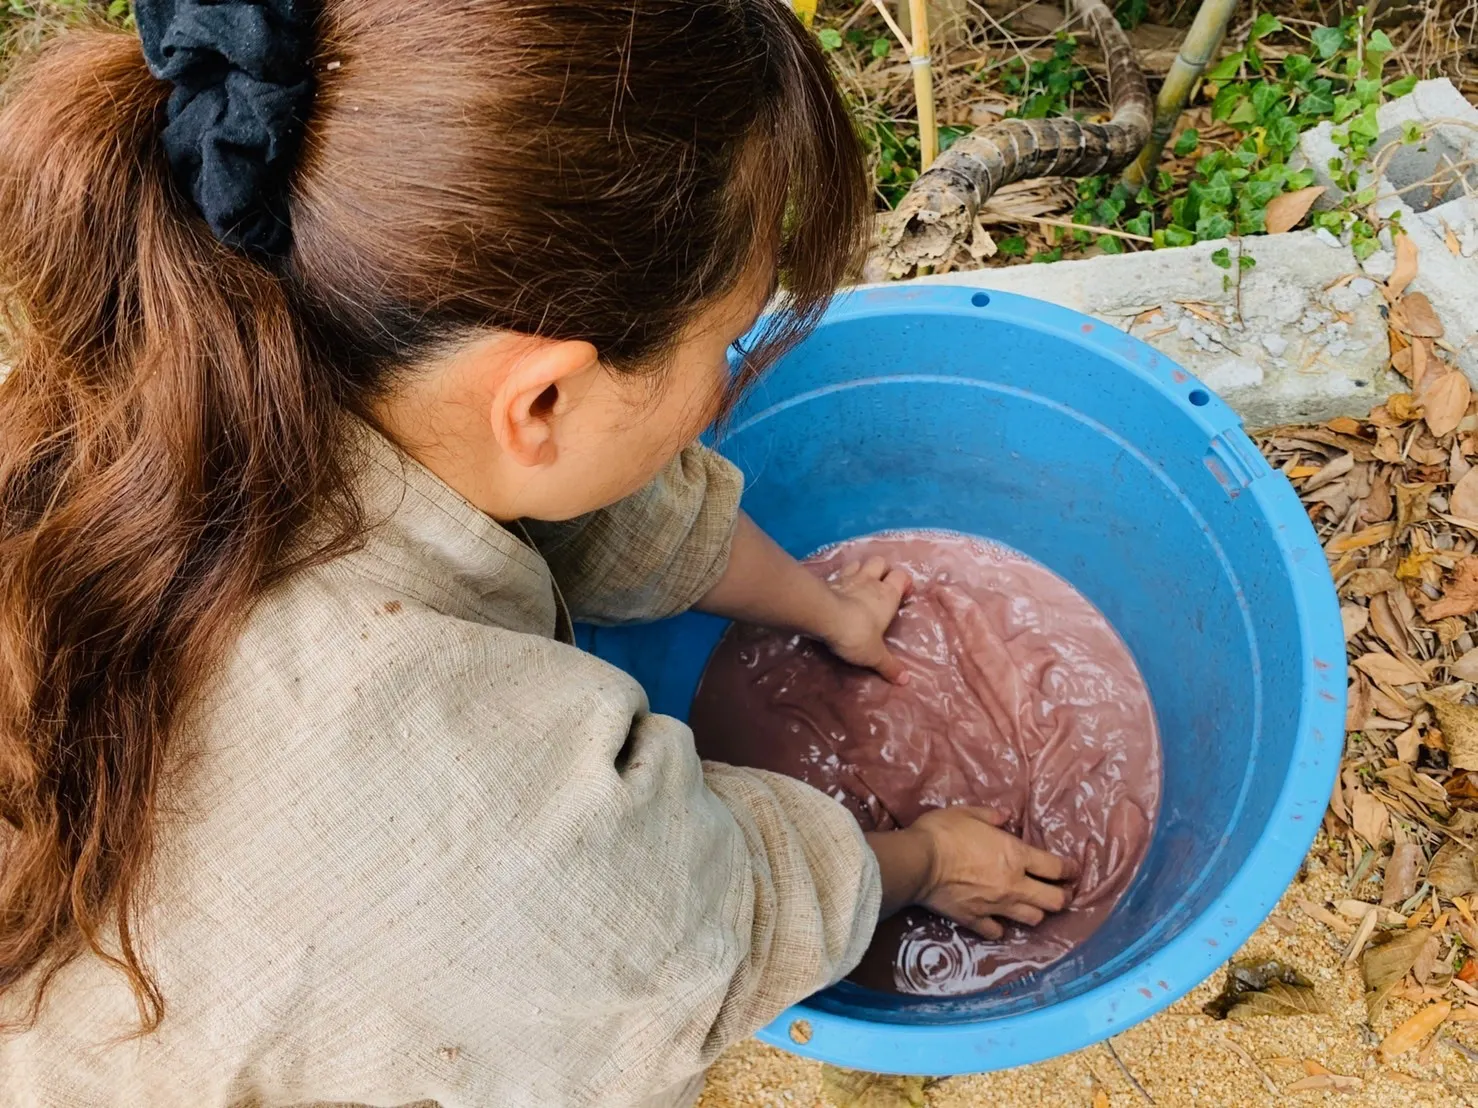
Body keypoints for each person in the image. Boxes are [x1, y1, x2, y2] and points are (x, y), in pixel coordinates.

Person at [0, 2, 1077, 1105]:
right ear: (542, 397)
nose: (724, 392)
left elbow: (594, 503)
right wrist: (931, 858)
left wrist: (824, 609)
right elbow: (697, 926)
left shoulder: (264, 333)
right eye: (725, 345)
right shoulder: (470, 807)